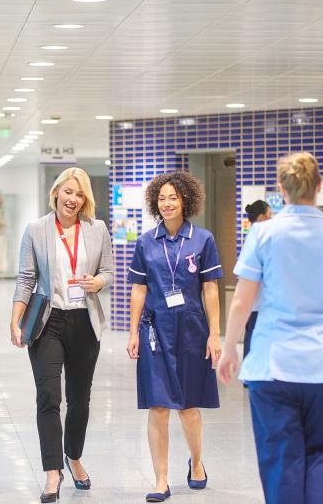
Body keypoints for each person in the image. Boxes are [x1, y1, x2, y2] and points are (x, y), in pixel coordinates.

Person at [217, 152, 323, 504]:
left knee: (280, 460)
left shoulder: (263, 233)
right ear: (319, 187)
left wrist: (230, 349)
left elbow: (242, 301)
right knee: (320, 454)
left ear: (280, 190)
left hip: (274, 368)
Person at [10, 167, 114, 503]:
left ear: (86, 200)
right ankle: (52, 471)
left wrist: (97, 282)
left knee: (80, 398)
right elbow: (26, 278)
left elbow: (108, 271)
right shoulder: (37, 229)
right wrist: (16, 319)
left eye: (80, 194)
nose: (73, 199)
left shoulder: (97, 229)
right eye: (68, 192)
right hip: (48, 322)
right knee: (48, 396)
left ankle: (74, 456)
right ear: (56, 192)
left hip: (84, 321)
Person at [126, 171, 222, 503]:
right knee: (158, 406)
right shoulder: (145, 242)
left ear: (186, 201)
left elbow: (210, 288)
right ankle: (161, 479)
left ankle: (197, 463)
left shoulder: (203, 239)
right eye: (162, 198)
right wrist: (133, 330)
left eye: (173, 197)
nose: (166, 203)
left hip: (192, 331)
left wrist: (215, 333)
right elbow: (139, 288)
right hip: (154, 330)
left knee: (188, 407)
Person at [242, 199, 271, 359]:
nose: (271, 220)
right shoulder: (257, 240)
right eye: (269, 216)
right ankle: (249, 376)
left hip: (257, 300)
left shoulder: (255, 238)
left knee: (253, 335)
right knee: (254, 336)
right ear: (261, 218)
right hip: (257, 301)